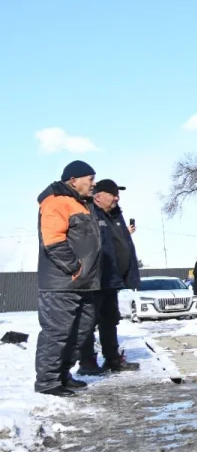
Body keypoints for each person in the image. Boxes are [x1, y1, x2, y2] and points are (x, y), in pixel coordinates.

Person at [34, 160, 103, 397]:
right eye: (90, 180)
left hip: (83, 284)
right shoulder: (55, 201)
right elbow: (53, 241)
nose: (94, 184)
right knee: (57, 333)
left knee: (80, 332)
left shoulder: (81, 204)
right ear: (73, 180)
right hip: (61, 284)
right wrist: (76, 268)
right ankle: (47, 381)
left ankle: (63, 374)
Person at [78, 179, 140, 375]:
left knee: (110, 319)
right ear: (98, 196)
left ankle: (112, 359)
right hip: (95, 280)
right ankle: (87, 362)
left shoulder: (116, 216)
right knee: (88, 322)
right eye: (112, 193)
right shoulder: (89, 213)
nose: (117, 197)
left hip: (112, 280)